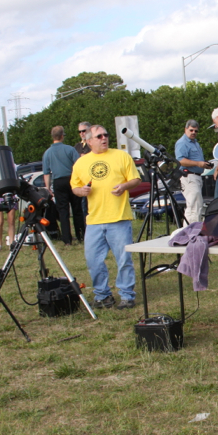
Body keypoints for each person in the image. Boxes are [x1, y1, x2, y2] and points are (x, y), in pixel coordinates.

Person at [71, 125, 141, 310]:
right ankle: (102, 296)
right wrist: (81, 190)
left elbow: (136, 179)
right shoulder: (81, 163)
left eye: (106, 134)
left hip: (118, 218)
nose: (104, 138)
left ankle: (127, 296)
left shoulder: (121, 156)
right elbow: (75, 187)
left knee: (124, 259)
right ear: (88, 141)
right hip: (94, 220)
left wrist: (124, 187)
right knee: (93, 260)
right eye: (99, 136)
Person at [43, 125, 85, 246]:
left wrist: (48, 188)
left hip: (58, 182)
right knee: (77, 209)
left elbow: (46, 173)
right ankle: (80, 235)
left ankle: (67, 239)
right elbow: (78, 166)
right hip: (71, 179)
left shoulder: (47, 153)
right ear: (62, 136)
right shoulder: (70, 149)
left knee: (63, 211)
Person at [174, 119, 212, 224]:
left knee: (197, 206)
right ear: (185, 129)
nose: (193, 133)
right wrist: (198, 164)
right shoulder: (182, 143)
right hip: (189, 177)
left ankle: (192, 231)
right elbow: (180, 161)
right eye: (191, 130)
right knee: (193, 206)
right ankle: (190, 232)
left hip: (197, 177)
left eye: (196, 131)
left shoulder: (195, 143)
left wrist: (204, 165)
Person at [74, 121, 92, 218]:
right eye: (79, 131)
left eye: (83, 131)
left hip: (91, 179)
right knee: (81, 208)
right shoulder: (77, 146)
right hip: (80, 181)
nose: (81, 133)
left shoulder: (93, 144)